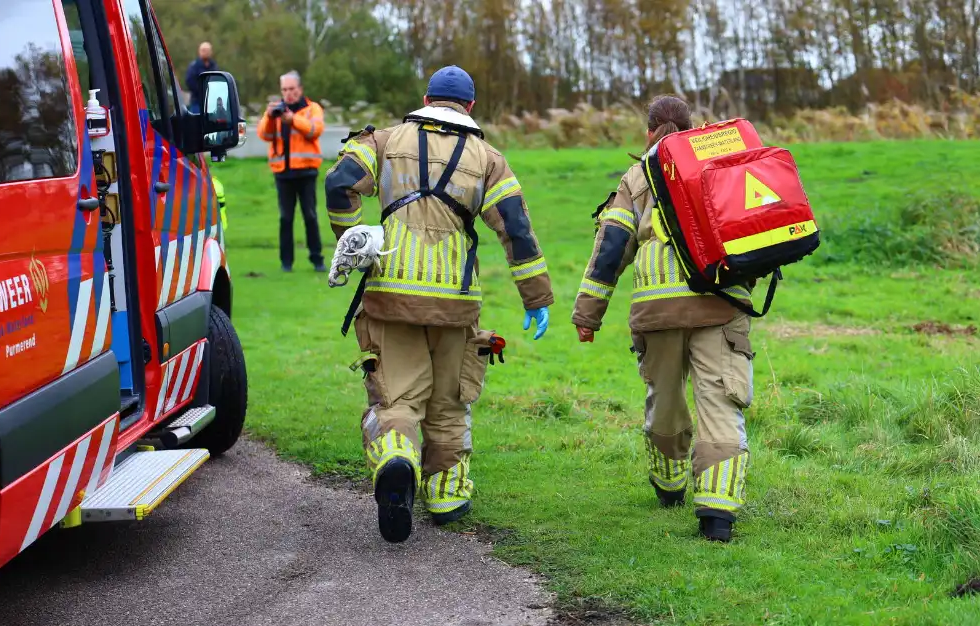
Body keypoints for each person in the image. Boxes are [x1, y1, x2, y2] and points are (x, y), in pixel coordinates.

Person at [323, 65, 554, 543]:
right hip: (456, 303)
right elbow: (516, 227)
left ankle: (396, 458)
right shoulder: (489, 159)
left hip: (391, 297)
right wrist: (536, 298)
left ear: (425, 98)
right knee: (449, 403)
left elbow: (338, 182)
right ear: (470, 107)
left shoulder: (383, 141)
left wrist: (351, 237)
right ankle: (447, 496)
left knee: (397, 398)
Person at [571, 95, 756, 543]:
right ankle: (717, 513)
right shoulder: (721, 161)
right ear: (691, 127)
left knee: (665, 399)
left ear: (649, 132)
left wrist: (588, 314)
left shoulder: (638, 175)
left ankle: (670, 486)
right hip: (720, 305)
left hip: (657, 309)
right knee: (720, 403)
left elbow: (611, 248)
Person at [257, 71, 326, 273]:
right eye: (285, 90)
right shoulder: (276, 110)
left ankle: (317, 260)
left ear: (300, 89)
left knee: (310, 216)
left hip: (306, 172)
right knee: (285, 218)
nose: (288, 94)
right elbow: (264, 134)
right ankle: (286, 263)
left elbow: (315, 130)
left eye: (292, 89)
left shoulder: (312, 109)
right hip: (283, 173)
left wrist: (292, 119)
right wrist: (270, 117)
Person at [185, 42, 217, 114]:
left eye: (207, 50)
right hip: (197, 101)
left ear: (211, 52)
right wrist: (201, 90)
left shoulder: (214, 65)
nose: (205, 52)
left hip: (212, 101)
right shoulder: (194, 66)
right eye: (203, 50)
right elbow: (189, 81)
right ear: (199, 51)